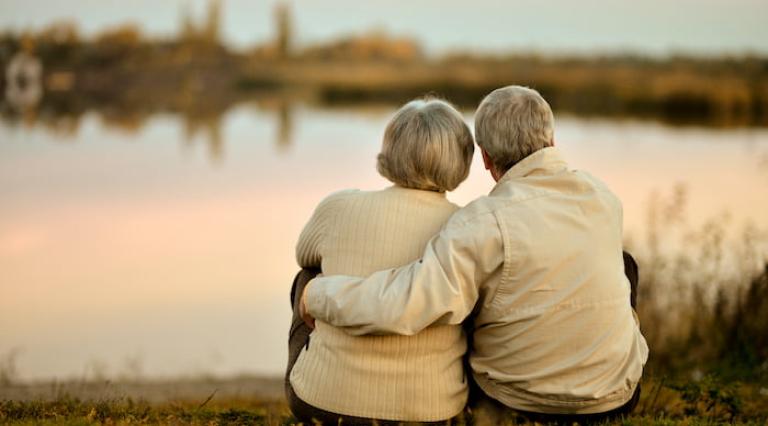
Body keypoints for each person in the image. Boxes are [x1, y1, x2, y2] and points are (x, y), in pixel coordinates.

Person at [301, 86, 649, 423]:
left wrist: (318, 293)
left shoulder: (483, 222)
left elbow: (409, 302)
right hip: (614, 400)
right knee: (624, 263)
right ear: (552, 141)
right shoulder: (603, 198)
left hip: (516, 401)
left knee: (468, 292)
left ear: (484, 157)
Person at [286, 98, 475, 424]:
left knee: (308, 275)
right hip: (431, 415)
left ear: (390, 150)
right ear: (462, 159)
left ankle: (326, 372)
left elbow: (304, 254)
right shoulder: (468, 227)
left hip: (323, 406)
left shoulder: (338, 206)